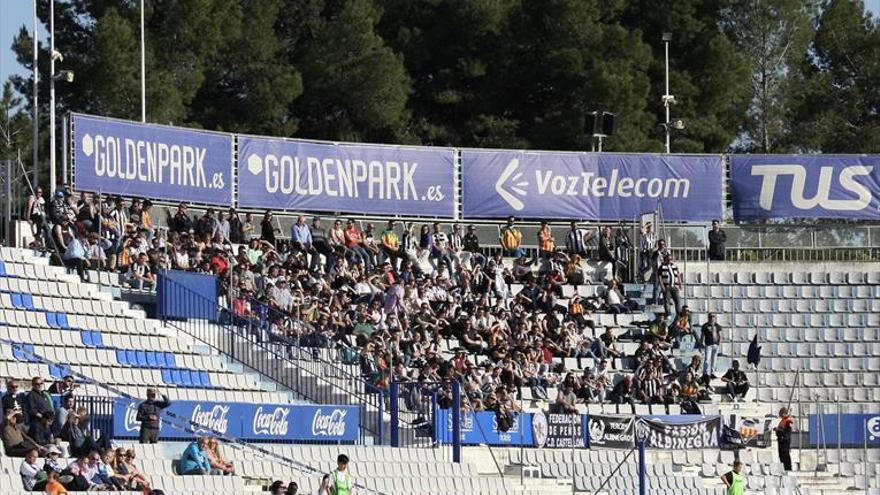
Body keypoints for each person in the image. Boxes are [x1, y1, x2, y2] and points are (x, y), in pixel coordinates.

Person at [700, 313, 723, 378]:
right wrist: (702, 342)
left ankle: (712, 373)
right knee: (707, 359)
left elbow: (720, 335)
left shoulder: (717, 326)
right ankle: (705, 373)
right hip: (708, 344)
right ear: (708, 317)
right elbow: (702, 335)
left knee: (714, 359)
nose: (712, 318)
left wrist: (719, 342)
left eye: (713, 316)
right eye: (710, 316)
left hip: (715, 344)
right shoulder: (705, 326)